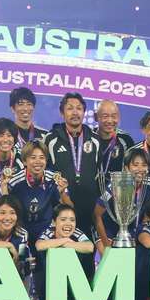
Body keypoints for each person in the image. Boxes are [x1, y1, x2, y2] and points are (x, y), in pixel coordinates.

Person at [45, 93, 101, 237]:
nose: (75, 112)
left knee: (87, 254)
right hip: (61, 209)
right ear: (62, 113)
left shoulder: (95, 140)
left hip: (88, 210)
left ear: (84, 112)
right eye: (70, 108)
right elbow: (46, 173)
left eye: (79, 108)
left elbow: (99, 174)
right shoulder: (50, 140)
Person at [94, 149, 150, 255]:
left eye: (144, 165)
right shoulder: (115, 184)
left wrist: (142, 233)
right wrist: (106, 245)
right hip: (109, 231)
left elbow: (147, 214)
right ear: (126, 168)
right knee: (110, 261)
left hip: (133, 233)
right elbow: (96, 214)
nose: (140, 169)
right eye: (135, 165)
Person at [9, 141, 72, 244]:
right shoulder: (14, 181)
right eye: (33, 158)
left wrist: (63, 193)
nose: (38, 161)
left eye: (42, 158)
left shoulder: (54, 179)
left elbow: (69, 207)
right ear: (24, 161)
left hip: (47, 232)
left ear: (46, 160)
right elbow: (4, 206)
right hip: (21, 231)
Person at [34, 204, 95, 300]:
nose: (68, 223)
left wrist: (66, 244)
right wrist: (65, 240)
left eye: (72, 220)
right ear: (54, 222)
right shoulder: (49, 232)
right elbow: (39, 245)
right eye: (63, 219)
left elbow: (89, 247)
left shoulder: (76, 232)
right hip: (49, 288)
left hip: (75, 289)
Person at [95, 100, 136, 182]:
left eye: (114, 116)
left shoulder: (126, 140)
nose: (110, 121)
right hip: (91, 190)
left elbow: (132, 170)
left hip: (116, 191)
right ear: (95, 117)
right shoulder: (88, 137)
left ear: (119, 117)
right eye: (105, 116)